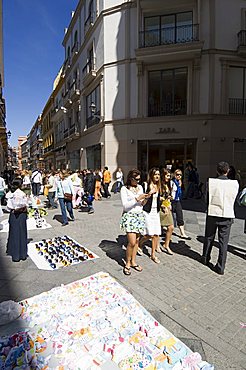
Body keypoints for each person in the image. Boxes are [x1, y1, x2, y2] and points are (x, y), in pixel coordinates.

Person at [201, 161, 239, 275]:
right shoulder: (235, 183)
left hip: (213, 213)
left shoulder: (210, 182)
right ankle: (221, 266)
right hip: (227, 214)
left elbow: (205, 199)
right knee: (223, 242)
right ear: (228, 171)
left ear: (217, 171)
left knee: (209, 238)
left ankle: (205, 258)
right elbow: (235, 200)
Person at [120, 169, 150, 275]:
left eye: (139, 179)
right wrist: (137, 198)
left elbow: (142, 204)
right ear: (130, 178)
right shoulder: (124, 189)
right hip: (129, 217)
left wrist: (146, 199)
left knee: (136, 241)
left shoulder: (140, 187)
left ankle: (133, 262)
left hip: (139, 216)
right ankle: (127, 263)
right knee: (131, 242)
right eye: (136, 179)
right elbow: (125, 206)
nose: (138, 181)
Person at [139, 168, 162, 264]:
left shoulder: (159, 186)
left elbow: (157, 200)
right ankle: (140, 243)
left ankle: (153, 255)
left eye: (158, 174)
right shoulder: (146, 185)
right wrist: (149, 193)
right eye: (155, 174)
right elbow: (142, 202)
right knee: (149, 234)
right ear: (151, 175)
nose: (157, 176)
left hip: (155, 212)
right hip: (147, 212)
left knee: (156, 234)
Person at [6, 178, 29, 262]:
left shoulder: (10, 193)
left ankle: (15, 254)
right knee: (22, 233)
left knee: (14, 234)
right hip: (21, 214)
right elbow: (23, 205)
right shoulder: (21, 193)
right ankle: (22, 254)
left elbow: (8, 207)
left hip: (13, 214)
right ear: (20, 184)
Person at [171, 169, 191, 240]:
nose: (179, 176)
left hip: (177, 201)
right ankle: (165, 232)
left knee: (180, 216)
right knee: (169, 218)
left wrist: (180, 185)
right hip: (171, 201)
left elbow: (179, 193)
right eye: (177, 174)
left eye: (180, 175)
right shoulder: (171, 182)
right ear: (174, 175)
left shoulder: (179, 182)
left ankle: (183, 234)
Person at [160, 169, 174, 255]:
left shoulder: (167, 184)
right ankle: (140, 244)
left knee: (171, 227)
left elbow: (167, 196)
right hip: (160, 208)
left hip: (167, 207)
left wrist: (169, 201)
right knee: (155, 231)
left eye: (169, 176)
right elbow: (157, 198)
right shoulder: (159, 185)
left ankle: (166, 244)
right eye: (167, 175)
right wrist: (163, 205)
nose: (169, 177)